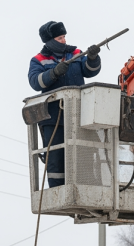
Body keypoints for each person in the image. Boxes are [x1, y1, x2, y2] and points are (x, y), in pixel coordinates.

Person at [28, 21, 102, 188]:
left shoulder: (75, 53)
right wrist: (53, 73)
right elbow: (35, 82)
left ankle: (86, 186)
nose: (63, 40)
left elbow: (90, 71)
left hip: (79, 115)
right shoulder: (39, 60)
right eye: (60, 37)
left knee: (84, 153)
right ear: (50, 41)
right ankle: (58, 190)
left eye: (64, 37)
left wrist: (92, 57)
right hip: (54, 119)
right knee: (56, 157)